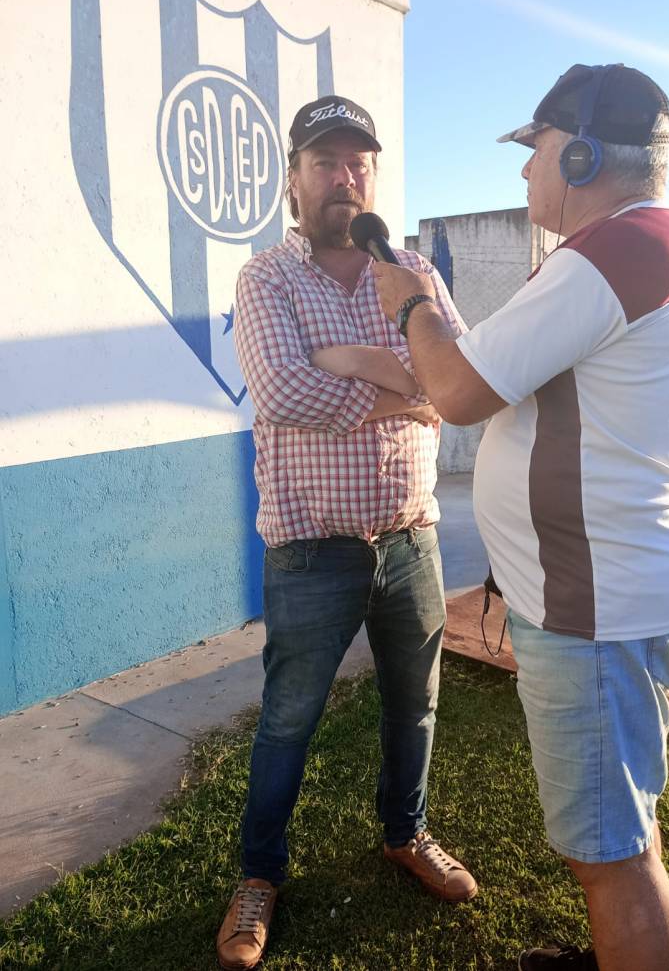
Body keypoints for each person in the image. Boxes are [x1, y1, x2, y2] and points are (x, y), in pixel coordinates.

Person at [373, 63, 669, 971]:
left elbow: (457, 388)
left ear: (578, 152)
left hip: (594, 616)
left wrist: (413, 306)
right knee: (624, 823)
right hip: (617, 602)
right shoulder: (662, 249)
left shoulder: (607, 257)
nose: (524, 172)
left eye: (533, 150)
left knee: (609, 859)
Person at [216, 95, 476, 971]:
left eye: (358, 160)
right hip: (311, 547)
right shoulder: (267, 280)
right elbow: (283, 393)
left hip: (411, 540)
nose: (345, 175)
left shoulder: (414, 274)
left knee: (418, 704)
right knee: (288, 720)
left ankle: (407, 833)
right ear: (293, 180)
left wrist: (361, 365)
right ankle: (259, 876)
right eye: (324, 160)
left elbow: (457, 381)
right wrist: (399, 379)